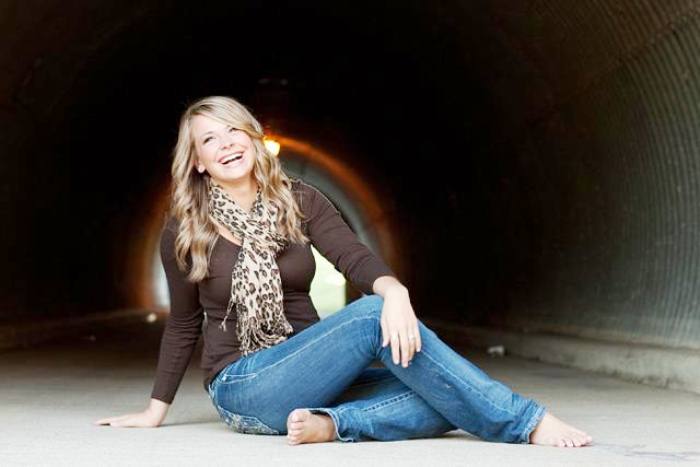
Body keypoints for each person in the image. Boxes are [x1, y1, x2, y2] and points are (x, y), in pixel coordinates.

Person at [94, 95, 593, 448]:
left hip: (313, 375)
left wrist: (395, 290)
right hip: (243, 385)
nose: (226, 143)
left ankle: (334, 425)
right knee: (380, 322)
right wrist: (154, 410)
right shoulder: (185, 228)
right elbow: (184, 323)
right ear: (199, 161)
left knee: (444, 392)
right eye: (209, 139)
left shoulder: (301, 201)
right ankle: (525, 422)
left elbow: (353, 256)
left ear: (253, 137)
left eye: (233, 130)